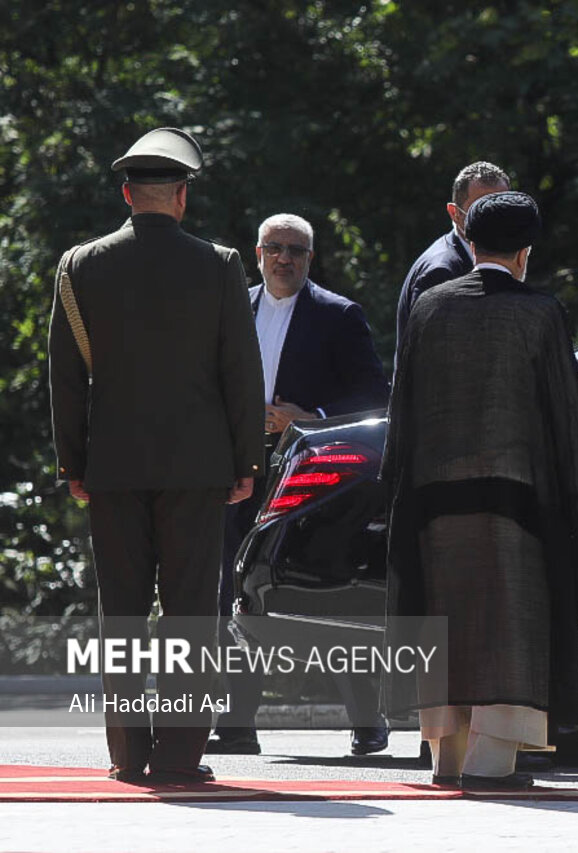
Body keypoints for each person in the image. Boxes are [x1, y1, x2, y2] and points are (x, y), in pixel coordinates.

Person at [48, 127, 263, 784]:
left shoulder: (80, 264)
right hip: (197, 467)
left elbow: (63, 374)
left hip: (111, 466)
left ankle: (125, 753)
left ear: (125, 193)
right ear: (181, 198)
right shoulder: (220, 263)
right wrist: (245, 461)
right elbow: (241, 372)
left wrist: (73, 463)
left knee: (123, 611)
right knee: (191, 609)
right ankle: (178, 755)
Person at [382, 191, 578, 789]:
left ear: (470, 244)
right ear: (525, 253)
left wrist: (397, 487)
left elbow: (403, 406)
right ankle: (490, 765)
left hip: (432, 498)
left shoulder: (429, 307)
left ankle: (444, 763)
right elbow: (562, 413)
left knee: (446, 623)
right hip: (514, 502)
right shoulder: (539, 313)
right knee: (509, 624)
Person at [205, 214, 392, 758]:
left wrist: (310, 416)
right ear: (257, 253)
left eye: (296, 250)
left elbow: (374, 398)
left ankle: (366, 721)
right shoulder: (229, 307)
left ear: (311, 258)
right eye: (274, 248)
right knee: (231, 593)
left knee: (320, 592)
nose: (284, 258)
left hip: (310, 474)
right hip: (235, 471)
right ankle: (237, 723)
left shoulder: (339, 316)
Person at [394, 161, 510, 345]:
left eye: (502, 208)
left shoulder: (497, 259)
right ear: (455, 213)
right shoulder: (440, 273)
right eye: (481, 209)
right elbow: (432, 360)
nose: (494, 219)